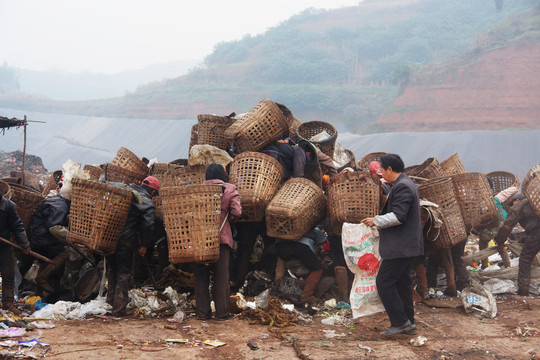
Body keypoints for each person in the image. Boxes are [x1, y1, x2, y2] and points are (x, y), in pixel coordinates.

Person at [362, 153, 423, 336]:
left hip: (401, 247)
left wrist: (376, 220)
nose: (381, 174)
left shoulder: (403, 186)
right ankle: (408, 322)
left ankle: (399, 322)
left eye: (381, 170)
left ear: (389, 169)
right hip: (406, 246)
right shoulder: (404, 183)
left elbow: (398, 216)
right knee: (402, 283)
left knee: (384, 282)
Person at [106, 176, 159, 316]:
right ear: (153, 192)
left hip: (109, 236)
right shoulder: (147, 201)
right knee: (124, 272)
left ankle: (110, 302)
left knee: (113, 268)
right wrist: (144, 245)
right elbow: (148, 225)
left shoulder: (126, 190)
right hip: (126, 240)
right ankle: (118, 310)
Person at [194, 164, 242, 320]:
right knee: (221, 277)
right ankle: (221, 313)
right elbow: (237, 212)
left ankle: (203, 313)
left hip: (201, 239)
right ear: (223, 174)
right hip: (221, 238)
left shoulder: (197, 189)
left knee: (201, 277)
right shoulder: (229, 189)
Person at [495, 192, 540, 296]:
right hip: (535, 233)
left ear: (517, 200)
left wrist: (500, 243)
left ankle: (523, 290)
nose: (514, 204)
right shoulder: (536, 204)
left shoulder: (522, 205)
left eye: (514, 202)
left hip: (536, 234)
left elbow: (506, 227)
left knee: (525, 259)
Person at [27, 188, 71, 295]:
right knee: (65, 253)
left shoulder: (54, 198)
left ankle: (38, 295)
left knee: (46, 261)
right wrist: (71, 238)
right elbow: (54, 227)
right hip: (42, 238)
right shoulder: (61, 206)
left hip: (35, 235)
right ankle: (42, 279)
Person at [274, 227, 326, 304]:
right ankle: (306, 296)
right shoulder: (313, 228)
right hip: (301, 248)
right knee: (317, 269)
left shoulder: (282, 228)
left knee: (281, 263)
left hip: (281, 247)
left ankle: (277, 287)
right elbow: (323, 241)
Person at [0, 190, 30, 315]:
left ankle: (8, 302)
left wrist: (24, 244)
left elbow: (17, 226)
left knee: (8, 275)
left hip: (4, 246)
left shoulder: (8, 206)